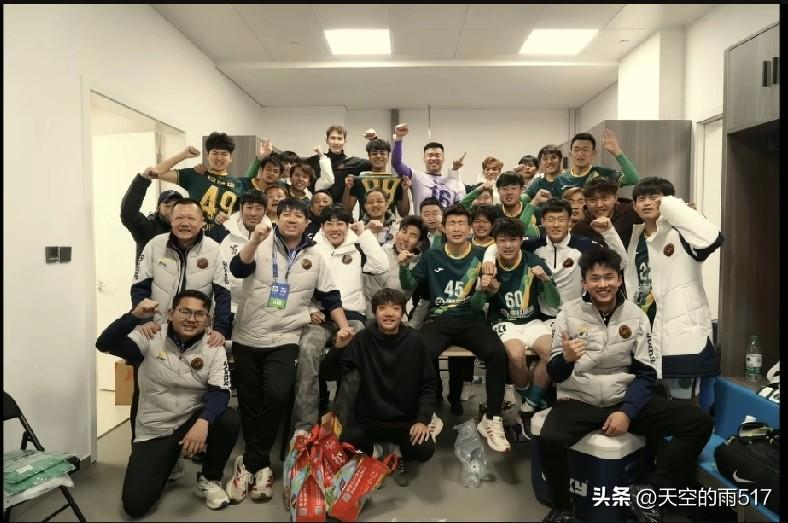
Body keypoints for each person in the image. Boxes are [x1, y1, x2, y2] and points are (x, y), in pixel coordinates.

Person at [539, 248, 713, 523]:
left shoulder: (637, 316)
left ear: (619, 279)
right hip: (578, 398)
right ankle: (562, 510)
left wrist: (628, 412)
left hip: (621, 397)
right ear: (584, 282)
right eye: (595, 278)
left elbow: (646, 373)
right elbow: (555, 373)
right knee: (550, 439)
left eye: (609, 277)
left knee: (699, 422)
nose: (603, 284)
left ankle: (648, 488)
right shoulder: (568, 314)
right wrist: (566, 359)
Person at [226, 197, 353, 503]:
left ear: (307, 223)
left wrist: (343, 326)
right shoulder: (259, 242)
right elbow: (238, 269)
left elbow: (331, 296)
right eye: (287, 214)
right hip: (247, 336)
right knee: (250, 402)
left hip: (285, 337)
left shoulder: (315, 256)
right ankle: (259, 466)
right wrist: (254, 241)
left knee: (278, 395)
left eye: (299, 215)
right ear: (277, 218)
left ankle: (250, 463)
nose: (293, 219)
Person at [96, 291, 240, 515]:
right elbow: (104, 343)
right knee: (135, 505)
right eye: (185, 311)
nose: (191, 319)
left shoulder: (213, 346)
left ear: (208, 319)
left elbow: (220, 392)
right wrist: (134, 316)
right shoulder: (149, 336)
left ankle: (209, 479)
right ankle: (170, 459)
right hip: (155, 427)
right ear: (171, 313)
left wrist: (203, 422)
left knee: (228, 419)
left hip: (191, 419)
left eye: (199, 314)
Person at [399, 204, 510, 453]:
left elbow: (492, 293)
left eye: (462, 223)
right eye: (452, 223)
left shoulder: (482, 256)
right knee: (419, 351)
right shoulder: (431, 256)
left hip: (471, 320)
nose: (457, 228)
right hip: (438, 320)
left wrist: (489, 287)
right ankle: (429, 414)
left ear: (470, 228)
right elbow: (408, 285)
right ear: (443, 228)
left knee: (497, 353)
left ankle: (492, 418)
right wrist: (404, 266)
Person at [624, 177, 723, 398]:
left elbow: (713, 238)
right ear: (634, 206)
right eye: (641, 198)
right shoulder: (636, 237)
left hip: (681, 331)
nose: (647, 202)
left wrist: (675, 208)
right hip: (646, 329)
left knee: (683, 402)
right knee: (651, 400)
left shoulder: (682, 232)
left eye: (655, 197)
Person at [328, 288, 437, 487]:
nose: (388, 313)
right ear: (374, 312)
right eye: (382, 308)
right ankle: (376, 452)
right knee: (347, 440)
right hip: (369, 419)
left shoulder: (415, 341)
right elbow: (329, 374)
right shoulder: (362, 339)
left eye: (395, 308)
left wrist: (422, 420)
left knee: (424, 448)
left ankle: (397, 452)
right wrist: (339, 348)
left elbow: (428, 383)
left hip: (405, 420)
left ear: (402, 313)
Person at [294, 205, 389, 432]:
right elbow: (298, 285)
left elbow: (381, 265)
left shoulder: (358, 248)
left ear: (348, 226)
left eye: (340, 224)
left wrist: (364, 233)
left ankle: (341, 422)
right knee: (307, 351)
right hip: (319, 318)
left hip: (352, 317)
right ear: (322, 227)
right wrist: (309, 309)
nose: (335, 228)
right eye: (329, 223)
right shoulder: (310, 249)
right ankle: (304, 425)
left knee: (358, 354)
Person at [484, 198, 625, 320]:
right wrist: (489, 258)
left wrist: (609, 232)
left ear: (569, 221)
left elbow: (621, 263)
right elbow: (506, 243)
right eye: (550, 220)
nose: (556, 225)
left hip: (575, 316)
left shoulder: (584, 246)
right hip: (540, 318)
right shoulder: (533, 245)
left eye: (561, 219)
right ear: (543, 221)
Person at [480, 218, 560, 414]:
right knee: (516, 355)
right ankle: (527, 394)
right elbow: (477, 305)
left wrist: (546, 280)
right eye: (502, 240)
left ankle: (532, 400)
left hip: (532, 321)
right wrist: (485, 290)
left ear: (521, 240)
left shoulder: (533, 261)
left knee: (551, 353)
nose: (508, 245)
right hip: (503, 321)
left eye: (513, 240)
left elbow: (555, 302)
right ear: (495, 242)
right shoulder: (489, 265)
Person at [131, 198, 231, 345]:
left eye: (191, 218)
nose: (185, 223)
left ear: (201, 222)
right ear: (171, 220)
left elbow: (223, 294)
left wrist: (220, 329)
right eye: (179, 218)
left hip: (197, 331)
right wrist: (145, 321)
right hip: (156, 330)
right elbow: (139, 287)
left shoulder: (214, 249)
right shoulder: (154, 245)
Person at [147, 133, 247, 231]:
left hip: (224, 237)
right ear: (207, 155)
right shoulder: (194, 175)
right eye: (215, 153)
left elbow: (242, 213)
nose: (219, 157)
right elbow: (154, 173)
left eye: (224, 154)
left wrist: (227, 218)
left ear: (231, 158)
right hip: (195, 236)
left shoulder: (238, 184)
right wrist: (183, 155)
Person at [206, 191, 273, 317]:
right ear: (241, 208)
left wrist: (276, 308)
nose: (253, 213)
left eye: (258, 208)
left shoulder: (274, 236)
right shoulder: (221, 231)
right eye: (249, 207)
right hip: (223, 306)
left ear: (265, 211)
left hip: (259, 310)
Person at [364, 216, 430, 328]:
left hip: (394, 321)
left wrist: (413, 325)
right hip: (366, 317)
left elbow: (425, 299)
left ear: (419, 243)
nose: (405, 238)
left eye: (413, 236)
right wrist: (367, 231)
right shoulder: (381, 250)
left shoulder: (420, 265)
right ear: (397, 232)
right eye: (403, 231)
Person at [391, 123, 466, 211]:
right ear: (424, 159)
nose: (433, 158)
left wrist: (455, 170)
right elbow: (397, 164)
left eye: (437, 155)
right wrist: (399, 139)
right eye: (430, 155)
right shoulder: (416, 177)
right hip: (422, 220)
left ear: (443, 159)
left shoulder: (451, 182)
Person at [121, 167, 183, 259]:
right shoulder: (148, 228)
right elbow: (128, 213)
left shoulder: (188, 229)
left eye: (177, 206)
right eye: (167, 206)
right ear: (158, 209)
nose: (173, 210)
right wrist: (142, 181)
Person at [554, 129, 640, 196]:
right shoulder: (560, 180)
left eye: (585, 150)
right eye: (576, 150)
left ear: (593, 154)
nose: (580, 154)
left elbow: (633, 179)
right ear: (570, 154)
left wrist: (617, 152)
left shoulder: (603, 174)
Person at [343, 138, 411, 218]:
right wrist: (347, 189)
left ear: (388, 156)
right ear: (369, 157)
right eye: (374, 153)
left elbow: (404, 213)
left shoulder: (397, 180)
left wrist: (405, 191)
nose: (378, 156)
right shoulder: (359, 180)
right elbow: (347, 211)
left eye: (382, 153)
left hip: (390, 224)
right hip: (365, 224)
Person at [462, 171, 539, 238]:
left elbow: (519, 231)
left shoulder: (533, 210)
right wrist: (479, 190)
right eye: (504, 189)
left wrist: (533, 205)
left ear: (522, 190)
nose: (509, 192)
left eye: (513, 188)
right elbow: (461, 207)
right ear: (498, 191)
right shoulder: (493, 211)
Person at [571, 176, 642, 247]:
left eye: (605, 199)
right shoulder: (579, 229)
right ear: (586, 202)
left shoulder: (632, 214)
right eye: (593, 200)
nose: (599, 205)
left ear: (615, 198)